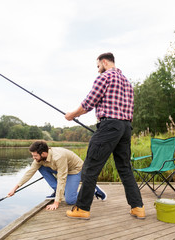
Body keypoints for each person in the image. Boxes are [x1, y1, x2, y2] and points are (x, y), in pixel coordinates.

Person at [65, 52, 145, 220]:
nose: (98, 69)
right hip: (125, 127)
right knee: (125, 169)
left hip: (109, 125)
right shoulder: (127, 83)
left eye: (98, 66)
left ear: (104, 62)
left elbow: (88, 103)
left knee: (90, 168)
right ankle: (138, 207)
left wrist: (72, 115)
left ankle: (82, 208)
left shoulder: (105, 77)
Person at [8, 141, 107, 211]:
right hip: (58, 168)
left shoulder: (59, 157)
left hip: (74, 170)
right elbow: (29, 173)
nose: (33, 158)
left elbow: (62, 178)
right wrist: (15, 188)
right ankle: (57, 191)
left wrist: (56, 202)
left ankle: (92, 191)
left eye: (35, 156)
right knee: (40, 167)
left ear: (43, 153)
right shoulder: (40, 159)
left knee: (70, 200)